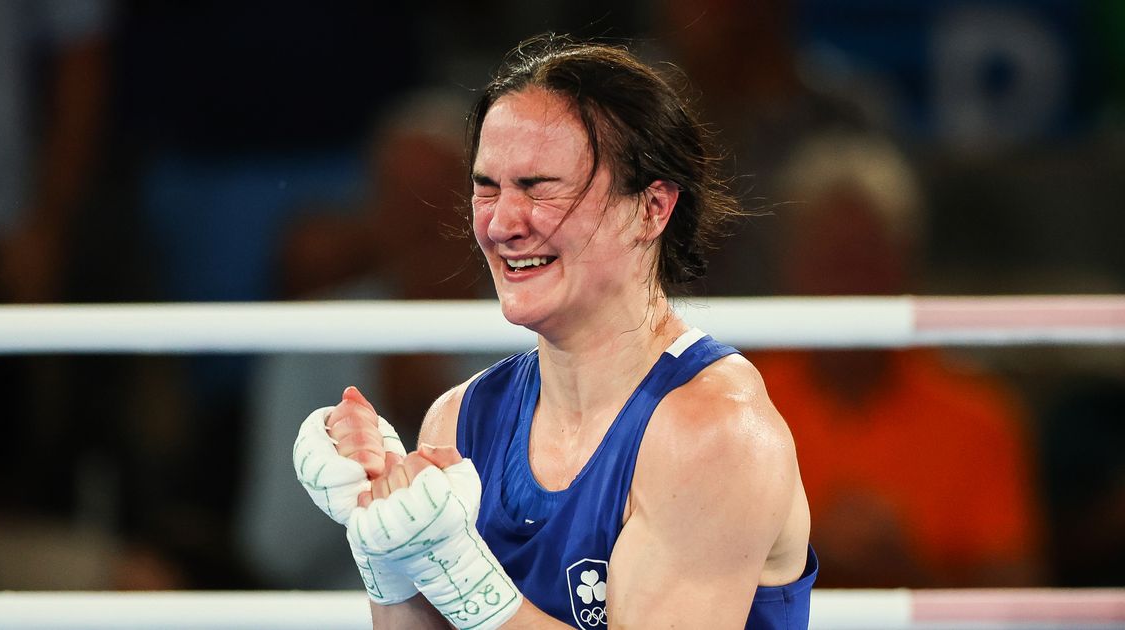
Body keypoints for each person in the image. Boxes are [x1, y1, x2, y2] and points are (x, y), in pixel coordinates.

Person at [293, 35, 815, 628]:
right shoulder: (459, 421)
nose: (502, 223)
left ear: (652, 209)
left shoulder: (714, 434)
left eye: (540, 188)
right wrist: (384, 540)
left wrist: (454, 566)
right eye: (486, 187)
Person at [750, 132, 1041, 587]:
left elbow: (1016, 600)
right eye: (831, 257)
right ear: (791, 265)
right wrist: (800, 552)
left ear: (907, 265)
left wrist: (906, 571)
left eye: (867, 256)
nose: (848, 280)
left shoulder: (980, 419)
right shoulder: (735, 408)